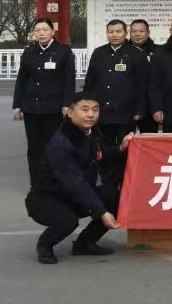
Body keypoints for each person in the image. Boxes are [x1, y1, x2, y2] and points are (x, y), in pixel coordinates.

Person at [25, 92, 132, 264]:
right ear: (70, 113)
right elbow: (76, 183)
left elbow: (100, 153)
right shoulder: (61, 144)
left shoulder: (89, 131)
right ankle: (44, 245)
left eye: (95, 110)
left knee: (116, 198)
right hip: (46, 199)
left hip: (73, 194)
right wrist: (102, 212)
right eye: (85, 109)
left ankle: (84, 244)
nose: (91, 114)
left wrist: (121, 147)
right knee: (68, 220)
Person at [82, 19, 147, 186]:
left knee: (126, 147)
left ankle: (124, 181)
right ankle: (108, 182)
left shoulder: (136, 54)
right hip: (102, 111)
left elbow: (143, 85)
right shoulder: (98, 53)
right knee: (103, 147)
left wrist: (140, 109)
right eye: (111, 32)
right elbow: (89, 82)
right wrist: (87, 107)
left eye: (118, 31)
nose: (114, 35)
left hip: (127, 111)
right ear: (107, 34)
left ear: (125, 33)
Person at [13, 18, 77, 185]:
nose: (41, 33)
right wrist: (17, 104)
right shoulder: (29, 52)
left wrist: (67, 104)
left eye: (45, 29)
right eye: (37, 30)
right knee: (34, 148)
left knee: (55, 146)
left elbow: (69, 80)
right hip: (31, 108)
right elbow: (21, 80)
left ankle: (56, 183)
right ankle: (37, 184)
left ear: (52, 31)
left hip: (54, 108)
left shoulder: (63, 51)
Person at [129, 19, 158, 132]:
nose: (137, 34)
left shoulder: (159, 51)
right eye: (134, 31)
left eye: (141, 31)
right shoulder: (123, 52)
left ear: (148, 32)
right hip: (129, 103)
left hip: (152, 104)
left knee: (150, 138)